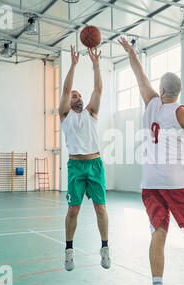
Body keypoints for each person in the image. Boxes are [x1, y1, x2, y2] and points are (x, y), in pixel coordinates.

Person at [118, 37, 184, 285]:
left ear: (161, 90)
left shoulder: (151, 102)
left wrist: (131, 51)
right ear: (179, 91)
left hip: (150, 183)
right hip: (179, 183)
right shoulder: (183, 112)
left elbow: (138, 74)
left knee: (158, 233)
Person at [59, 45, 110, 271]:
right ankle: (69, 251)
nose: (76, 97)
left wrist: (96, 64)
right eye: (73, 96)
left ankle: (105, 248)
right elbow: (65, 87)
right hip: (76, 167)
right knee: (73, 210)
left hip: (95, 165)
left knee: (101, 208)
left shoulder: (91, 113)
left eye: (78, 95)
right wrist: (73, 63)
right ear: (68, 102)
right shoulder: (64, 116)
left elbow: (99, 88)